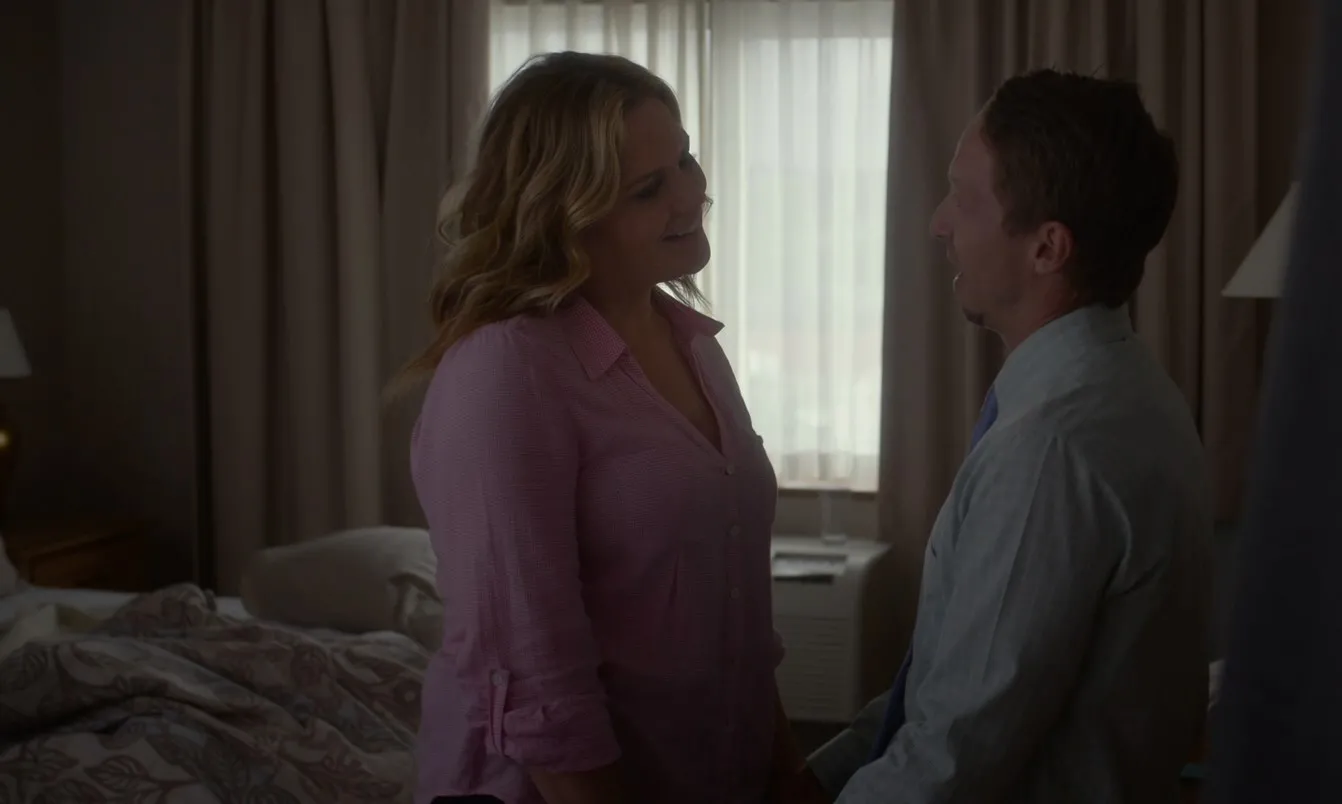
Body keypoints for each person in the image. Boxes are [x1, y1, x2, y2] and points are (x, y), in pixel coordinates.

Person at [399, 52, 809, 804]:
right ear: (568, 215)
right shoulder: (508, 371)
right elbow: (535, 680)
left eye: (685, 159)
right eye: (648, 189)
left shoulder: (693, 342)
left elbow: (739, 630)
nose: (691, 194)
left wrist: (787, 776)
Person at [803, 69, 1212, 804]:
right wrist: (818, 777)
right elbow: (943, 686)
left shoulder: (1052, 449)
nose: (939, 223)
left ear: (1047, 248)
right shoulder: (1120, 388)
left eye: (963, 199)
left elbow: (952, 758)